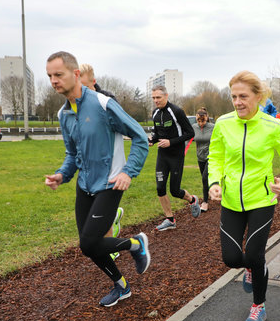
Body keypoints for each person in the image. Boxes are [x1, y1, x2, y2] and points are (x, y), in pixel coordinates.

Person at [44, 51, 150, 307]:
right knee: (89, 246)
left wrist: (128, 171)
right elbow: (72, 154)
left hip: (111, 183)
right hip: (85, 186)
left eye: (59, 74)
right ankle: (121, 286)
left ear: (76, 74)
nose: (54, 80)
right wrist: (61, 174)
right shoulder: (64, 114)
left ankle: (136, 244)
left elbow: (140, 137)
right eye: (50, 76)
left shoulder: (103, 104)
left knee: (90, 242)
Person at [208, 71, 280, 321]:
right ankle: (249, 267)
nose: (237, 102)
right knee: (231, 258)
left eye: (243, 97)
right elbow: (215, 157)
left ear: (258, 97)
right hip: (230, 200)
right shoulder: (224, 123)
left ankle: (258, 307)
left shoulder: (273, 126)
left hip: (261, 199)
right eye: (234, 97)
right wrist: (214, 183)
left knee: (256, 254)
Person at [80, 63, 123, 260]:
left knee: (99, 217)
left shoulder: (107, 101)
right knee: (91, 218)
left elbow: (126, 127)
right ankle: (113, 217)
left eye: (84, 86)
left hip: (111, 170)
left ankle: (112, 247)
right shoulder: (75, 105)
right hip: (90, 170)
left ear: (93, 82)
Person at [149, 85, 200, 231]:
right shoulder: (155, 113)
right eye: (153, 98)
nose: (155, 101)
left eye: (158, 97)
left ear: (166, 96)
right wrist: (152, 139)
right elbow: (157, 133)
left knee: (175, 190)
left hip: (176, 156)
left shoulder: (176, 111)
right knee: (160, 188)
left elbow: (190, 133)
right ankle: (170, 219)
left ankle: (192, 200)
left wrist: (171, 142)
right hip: (162, 156)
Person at [192, 107, 214, 212]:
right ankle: (212, 190)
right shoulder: (194, 127)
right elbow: (188, 138)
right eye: (198, 121)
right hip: (200, 157)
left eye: (203, 121)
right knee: (205, 180)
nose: (201, 123)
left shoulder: (213, 127)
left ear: (207, 118)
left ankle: (205, 202)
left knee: (205, 178)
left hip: (211, 156)